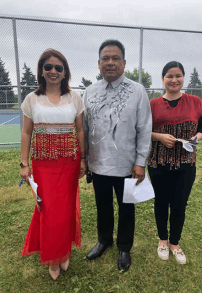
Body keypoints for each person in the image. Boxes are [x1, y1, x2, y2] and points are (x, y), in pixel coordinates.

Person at [83, 40, 152, 272]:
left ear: (124, 63)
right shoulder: (89, 92)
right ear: (99, 63)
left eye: (115, 58)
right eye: (105, 58)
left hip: (127, 165)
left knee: (127, 207)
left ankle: (124, 247)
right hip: (98, 164)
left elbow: (144, 129)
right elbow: (83, 127)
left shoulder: (137, 91)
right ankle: (104, 240)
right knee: (102, 205)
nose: (110, 62)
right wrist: (85, 160)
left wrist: (140, 162)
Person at [20, 49, 85, 280]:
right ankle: (52, 256)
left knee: (66, 208)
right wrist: (24, 163)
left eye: (58, 67)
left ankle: (63, 251)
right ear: (42, 71)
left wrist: (84, 159)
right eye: (48, 67)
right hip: (43, 164)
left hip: (69, 162)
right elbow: (27, 133)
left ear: (65, 71)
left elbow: (79, 130)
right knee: (47, 210)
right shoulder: (32, 99)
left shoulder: (74, 98)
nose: (53, 71)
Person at [147, 61, 202, 264]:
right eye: (169, 76)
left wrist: (198, 136)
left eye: (178, 75)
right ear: (163, 79)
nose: (174, 80)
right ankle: (163, 240)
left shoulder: (195, 102)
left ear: (183, 78)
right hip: (158, 164)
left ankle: (175, 242)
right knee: (161, 203)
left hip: (186, 164)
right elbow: (141, 131)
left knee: (179, 205)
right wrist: (159, 137)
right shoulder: (153, 105)